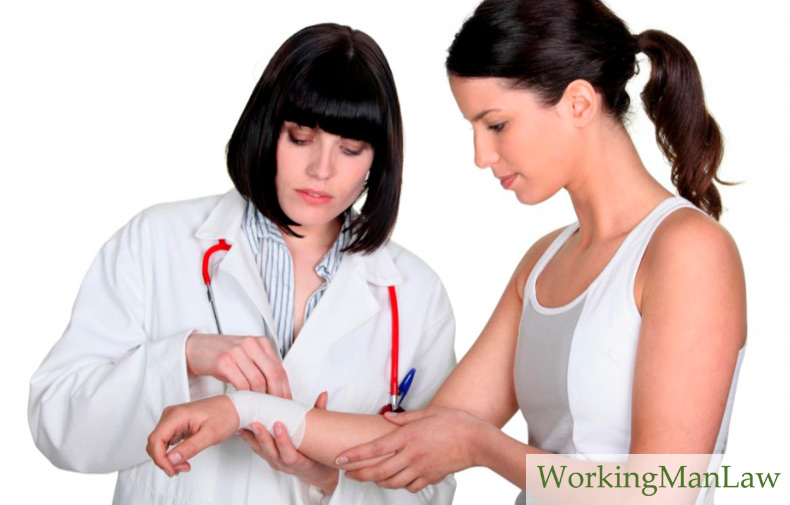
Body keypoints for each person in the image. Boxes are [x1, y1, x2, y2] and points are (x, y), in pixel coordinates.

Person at [146, 0, 745, 502]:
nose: (481, 156)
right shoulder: (543, 263)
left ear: (579, 104)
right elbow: (420, 434)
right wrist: (242, 411)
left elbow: (663, 489)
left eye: (496, 125)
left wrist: (486, 447)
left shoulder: (687, 251)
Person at [28, 23, 457, 505]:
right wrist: (185, 357)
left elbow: (433, 487)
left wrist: (327, 478)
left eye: (351, 149)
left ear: (378, 160)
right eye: (300, 138)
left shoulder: (415, 294)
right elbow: (57, 424)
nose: (322, 170)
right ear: (267, 128)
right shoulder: (157, 241)